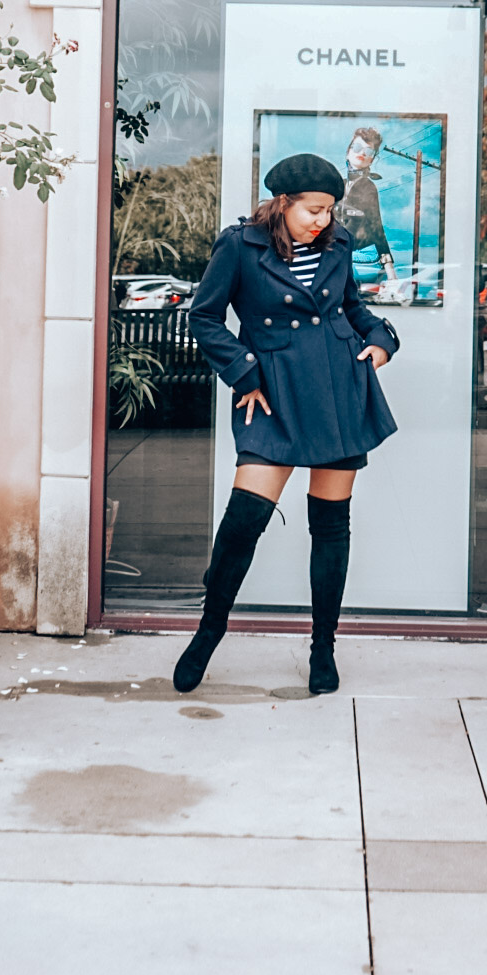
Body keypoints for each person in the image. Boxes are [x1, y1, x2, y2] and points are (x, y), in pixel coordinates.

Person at [175, 152, 399, 696]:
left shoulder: (339, 243)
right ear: (283, 203)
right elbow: (204, 316)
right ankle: (209, 630)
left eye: (328, 210)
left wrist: (381, 340)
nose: (322, 220)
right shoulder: (239, 244)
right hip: (269, 391)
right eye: (313, 210)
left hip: (336, 388)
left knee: (329, 526)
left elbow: (351, 307)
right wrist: (243, 372)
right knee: (243, 522)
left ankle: (323, 646)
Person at [335, 126, 401, 299]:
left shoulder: (368, 188)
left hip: (360, 260)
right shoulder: (337, 185)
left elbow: (376, 228)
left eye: (369, 151)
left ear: (372, 159)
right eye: (357, 148)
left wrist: (390, 271)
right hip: (336, 257)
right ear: (347, 152)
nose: (362, 153)